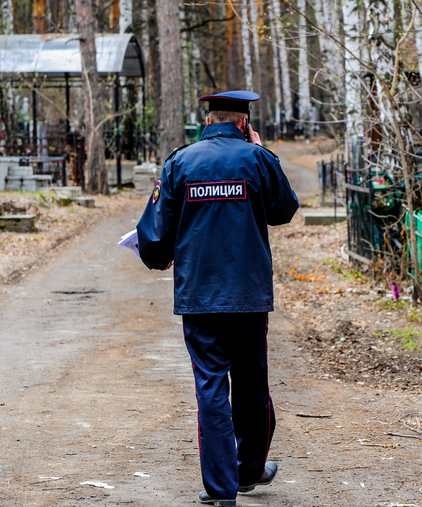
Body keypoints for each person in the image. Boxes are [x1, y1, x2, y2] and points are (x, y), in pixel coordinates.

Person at [136, 90, 299, 506]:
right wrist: (265, 156)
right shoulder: (257, 159)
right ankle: (247, 472)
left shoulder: (179, 162)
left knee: (210, 387)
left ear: (207, 121)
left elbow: (153, 236)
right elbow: (283, 209)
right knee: (252, 385)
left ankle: (222, 490)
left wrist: (160, 258)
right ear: (244, 123)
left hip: (200, 297)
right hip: (248, 295)